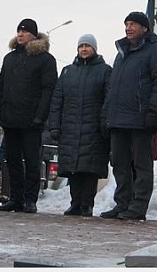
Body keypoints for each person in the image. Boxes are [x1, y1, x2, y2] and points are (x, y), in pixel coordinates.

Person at [100, 11, 157, 221]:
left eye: (133, 24)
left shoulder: (156, 49)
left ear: (144, 28)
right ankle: (122, 204)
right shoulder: (123, 52)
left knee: (142, 165)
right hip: (118, 118)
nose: (128, 28)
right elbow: (113, 87)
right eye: (126, 24)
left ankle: (139, 206)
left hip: (141, 118)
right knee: (120, 164)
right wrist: (107, 115)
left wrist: (153, 111)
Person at [0, 18, 58, 214]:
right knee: (12, 160)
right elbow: (1, 86)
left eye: (25, 31)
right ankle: (15, 198)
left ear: (34, 35)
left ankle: (30, 199)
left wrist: (40, 116)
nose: (20, 34)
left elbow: (48, 90)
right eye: (18, 31)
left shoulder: (45, 59)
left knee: (31, 161)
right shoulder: (9, 58)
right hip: (10, 119)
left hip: (31, 120)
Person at [47, 34, 112, 217]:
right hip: (70, 128)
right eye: (81, 46)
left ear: (94, 49)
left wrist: (104, 123)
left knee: (89, 169)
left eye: (87, 46)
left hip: (94, 129)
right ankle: (75, 203)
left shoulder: (105, 71)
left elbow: (108, 99)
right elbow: (57, 100)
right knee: (72, 169)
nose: (84, 49)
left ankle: (87, 205)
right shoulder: (68, 72)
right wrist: (54, 126)